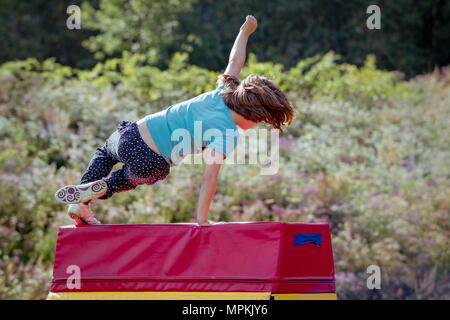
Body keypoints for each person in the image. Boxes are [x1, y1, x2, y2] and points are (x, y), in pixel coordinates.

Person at [54, 15, 295, 225]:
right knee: (130, 177)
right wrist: (202, 219)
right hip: (152, 162)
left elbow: (235, 61)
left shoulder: (224, 90)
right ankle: (104, 188)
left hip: (130, 136)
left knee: (105, 153)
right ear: (254, 115)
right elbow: (210, 177)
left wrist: (244, 32)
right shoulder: (227, 133)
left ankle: (82, 200)